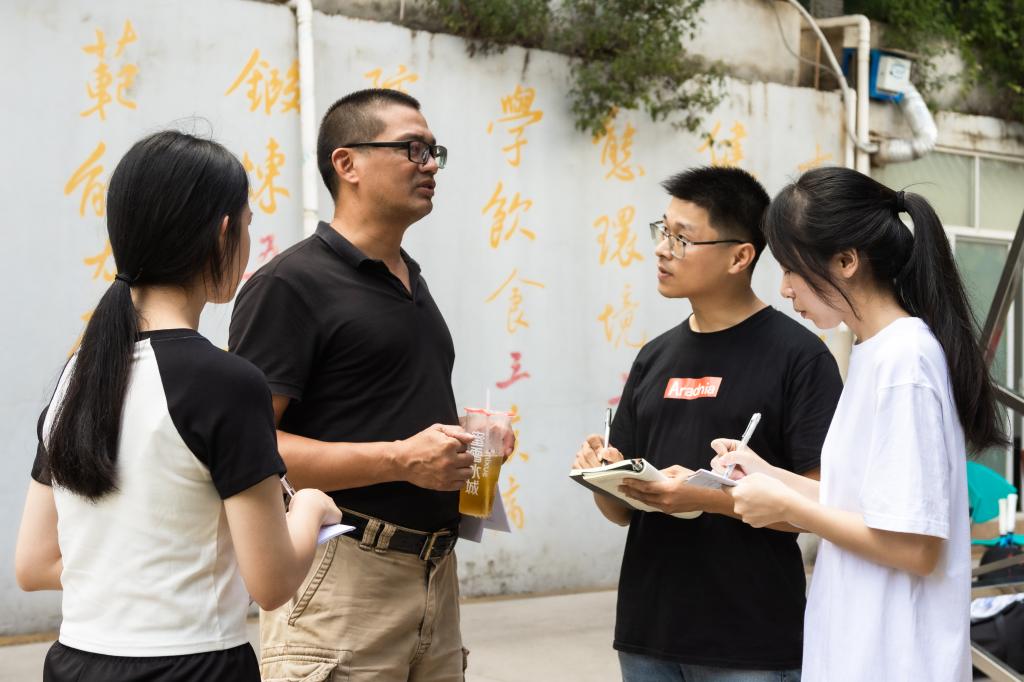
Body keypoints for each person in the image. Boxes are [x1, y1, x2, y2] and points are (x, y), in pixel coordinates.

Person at [14, 130, 341, 682]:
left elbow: (33, 563)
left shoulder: (78, 375)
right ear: (223, 232)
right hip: (193, 664)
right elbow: (272, 583)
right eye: (248, 224)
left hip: (74, 661)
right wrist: (311, 508)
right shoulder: (226, 382)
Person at [229, 88, 501, 681]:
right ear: (346, 163)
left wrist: (465, 440)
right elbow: (248, 449)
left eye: (434, 152)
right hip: (341, 575)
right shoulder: (290, 285)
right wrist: (402, 459)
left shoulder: (412, 281)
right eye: (412, 149)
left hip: (436, 575)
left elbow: (381, 410)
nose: (430, 166)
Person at [714, 167, 1006, 681]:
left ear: (846, 261)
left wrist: (786, 506)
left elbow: (914, 546)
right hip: (862, 651)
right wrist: (767, 473)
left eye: (791, 269)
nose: (784, 289)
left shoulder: (904, 361)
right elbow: (861, 506)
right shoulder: (877, 352)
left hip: (896, 662)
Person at [573, 166, 843, 681]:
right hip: (648, 634)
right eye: (662, 231)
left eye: (682, 238)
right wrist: (603, 475)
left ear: (740, 257)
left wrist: (705, 500)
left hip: (749, 642)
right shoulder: (654, 357)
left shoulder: (799, 357)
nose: (662, 249)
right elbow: (622, 514)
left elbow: (819, 507)